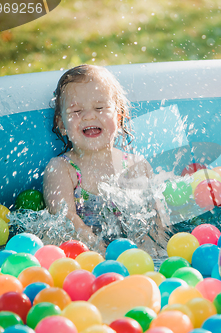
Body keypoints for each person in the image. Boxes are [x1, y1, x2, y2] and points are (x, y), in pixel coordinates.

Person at [43, 64, 170, 253]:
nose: (88, 116)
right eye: (76, 111)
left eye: (100, 107)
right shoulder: (62, 169)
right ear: (62, 125)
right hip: (89, 258)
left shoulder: (136, 166)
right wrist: (102, 254)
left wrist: (152, 257)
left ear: (118, 117)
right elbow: (65, 220)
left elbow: (156, 225)